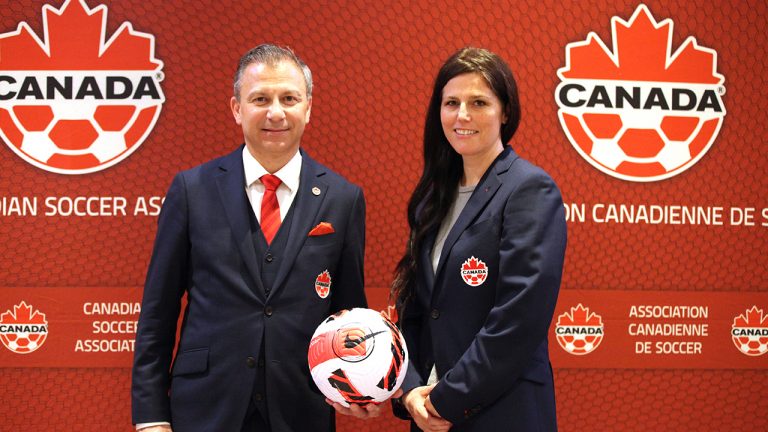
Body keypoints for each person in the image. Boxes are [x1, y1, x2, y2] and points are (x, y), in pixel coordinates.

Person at [131, 44, 368, 432]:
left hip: (301, 410)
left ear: (308, 108)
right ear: (237, 108)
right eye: (260, 98)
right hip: (205, 409)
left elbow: (348, 315)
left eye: (289, 98)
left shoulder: (343, 199)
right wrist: (150, 416)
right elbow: (158, 312)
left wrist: (357, 387)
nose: (275, 112)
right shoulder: (192, 189)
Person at [391, 47, 567, 431]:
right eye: (451, 102)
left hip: (501, 413)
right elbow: (415, 307)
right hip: (430, 415)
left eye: (479, 102)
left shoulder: (529, 190)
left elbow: (518, 321)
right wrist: (411, 389)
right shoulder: (432, 199)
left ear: (506, 112)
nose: (463, 115)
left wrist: (445, 398)